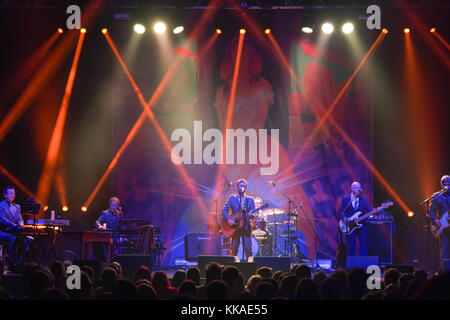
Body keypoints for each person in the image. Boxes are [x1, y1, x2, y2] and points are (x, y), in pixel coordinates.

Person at [339, 181, 376, 256]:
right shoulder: (346, 199)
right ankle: (350, 266)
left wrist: (377, 210)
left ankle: (364, 266)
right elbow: (342, 211)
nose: (359, 189)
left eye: (360, 187)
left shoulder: (363, 199)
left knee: (364, 245)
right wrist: (345, 218)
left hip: (362, 224)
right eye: (356, 188)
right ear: (352, 189)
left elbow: (369, 210)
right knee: (351, 246)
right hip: (350, 225)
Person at [222, 179, 256, 259]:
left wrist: (251, 215)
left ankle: (250, 267)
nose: (242, 187)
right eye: (240, 186)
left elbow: (253, 213)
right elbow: (224, 211)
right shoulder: (232, 198)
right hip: (235, 228)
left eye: (244, 186)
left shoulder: (250, 200)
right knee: (234, 249)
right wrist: (229, 220)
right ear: (237, 187)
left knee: (248, 249)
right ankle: (233, 268)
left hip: (246, 227)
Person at [0, 186, 27, 270]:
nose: (13, 195)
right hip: (2, 231)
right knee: (14, 239)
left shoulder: (17, 206)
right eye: (11, 193)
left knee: (27, 240)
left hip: (14, 231)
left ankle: (21, 261)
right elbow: (2, 219)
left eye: (14, 193)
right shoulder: (1, 205)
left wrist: (21, 224)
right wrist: (14, 225)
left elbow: (20, 218)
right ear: (5, 195)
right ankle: (11, 260)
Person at [93, 197, 121, 261]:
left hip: (116, 235)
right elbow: (97, 222)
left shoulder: (119, 214)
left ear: (117, 205)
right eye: (112, 205)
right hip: (107, 235)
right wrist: (100, 226)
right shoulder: (105, 213)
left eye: (115, 205)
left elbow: (122, 224)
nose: (113, 207)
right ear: (110, 205)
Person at [429, 175, 450, 261]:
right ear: (441, 184)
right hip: (443, 226)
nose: (446, 185)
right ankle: (444, 271)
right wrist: (435, 219)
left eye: (448, 183)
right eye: (444, 183)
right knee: (444, 248)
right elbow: (431, 211)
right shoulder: (436, 196)